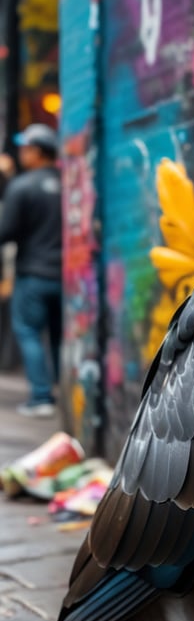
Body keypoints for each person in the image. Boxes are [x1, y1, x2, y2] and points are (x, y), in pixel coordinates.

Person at [0, 124, 62, 417]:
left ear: (37, 152)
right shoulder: (71, 184)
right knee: (59, 337)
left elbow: (6, 230)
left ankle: (41, 397)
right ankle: (64, 392)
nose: (22, 153)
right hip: (66, 278)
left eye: (25, 148)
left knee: (28, 332)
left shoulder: (22, 186)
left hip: (34, 275)